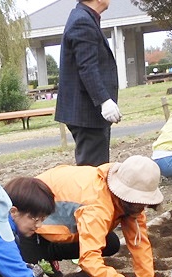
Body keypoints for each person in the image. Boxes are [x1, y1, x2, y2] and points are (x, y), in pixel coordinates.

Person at [29, 156, 163, 277]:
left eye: (145, 201)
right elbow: (89, 257)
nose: (143, 206)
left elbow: (139, 242)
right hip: (28, 221)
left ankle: (47, 252)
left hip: (60, 218)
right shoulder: (97, 205)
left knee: (110, 243)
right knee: (28, 274)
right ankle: (43, 254)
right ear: (125, 195)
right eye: (139, 201)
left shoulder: (131, 203)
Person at [55, 0, 121, 166]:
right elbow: (87, 67)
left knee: (96, 167)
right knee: (93, 169)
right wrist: (104, 101)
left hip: (87, 113)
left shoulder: (84, 18)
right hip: (87, 114)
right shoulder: (82, 21)